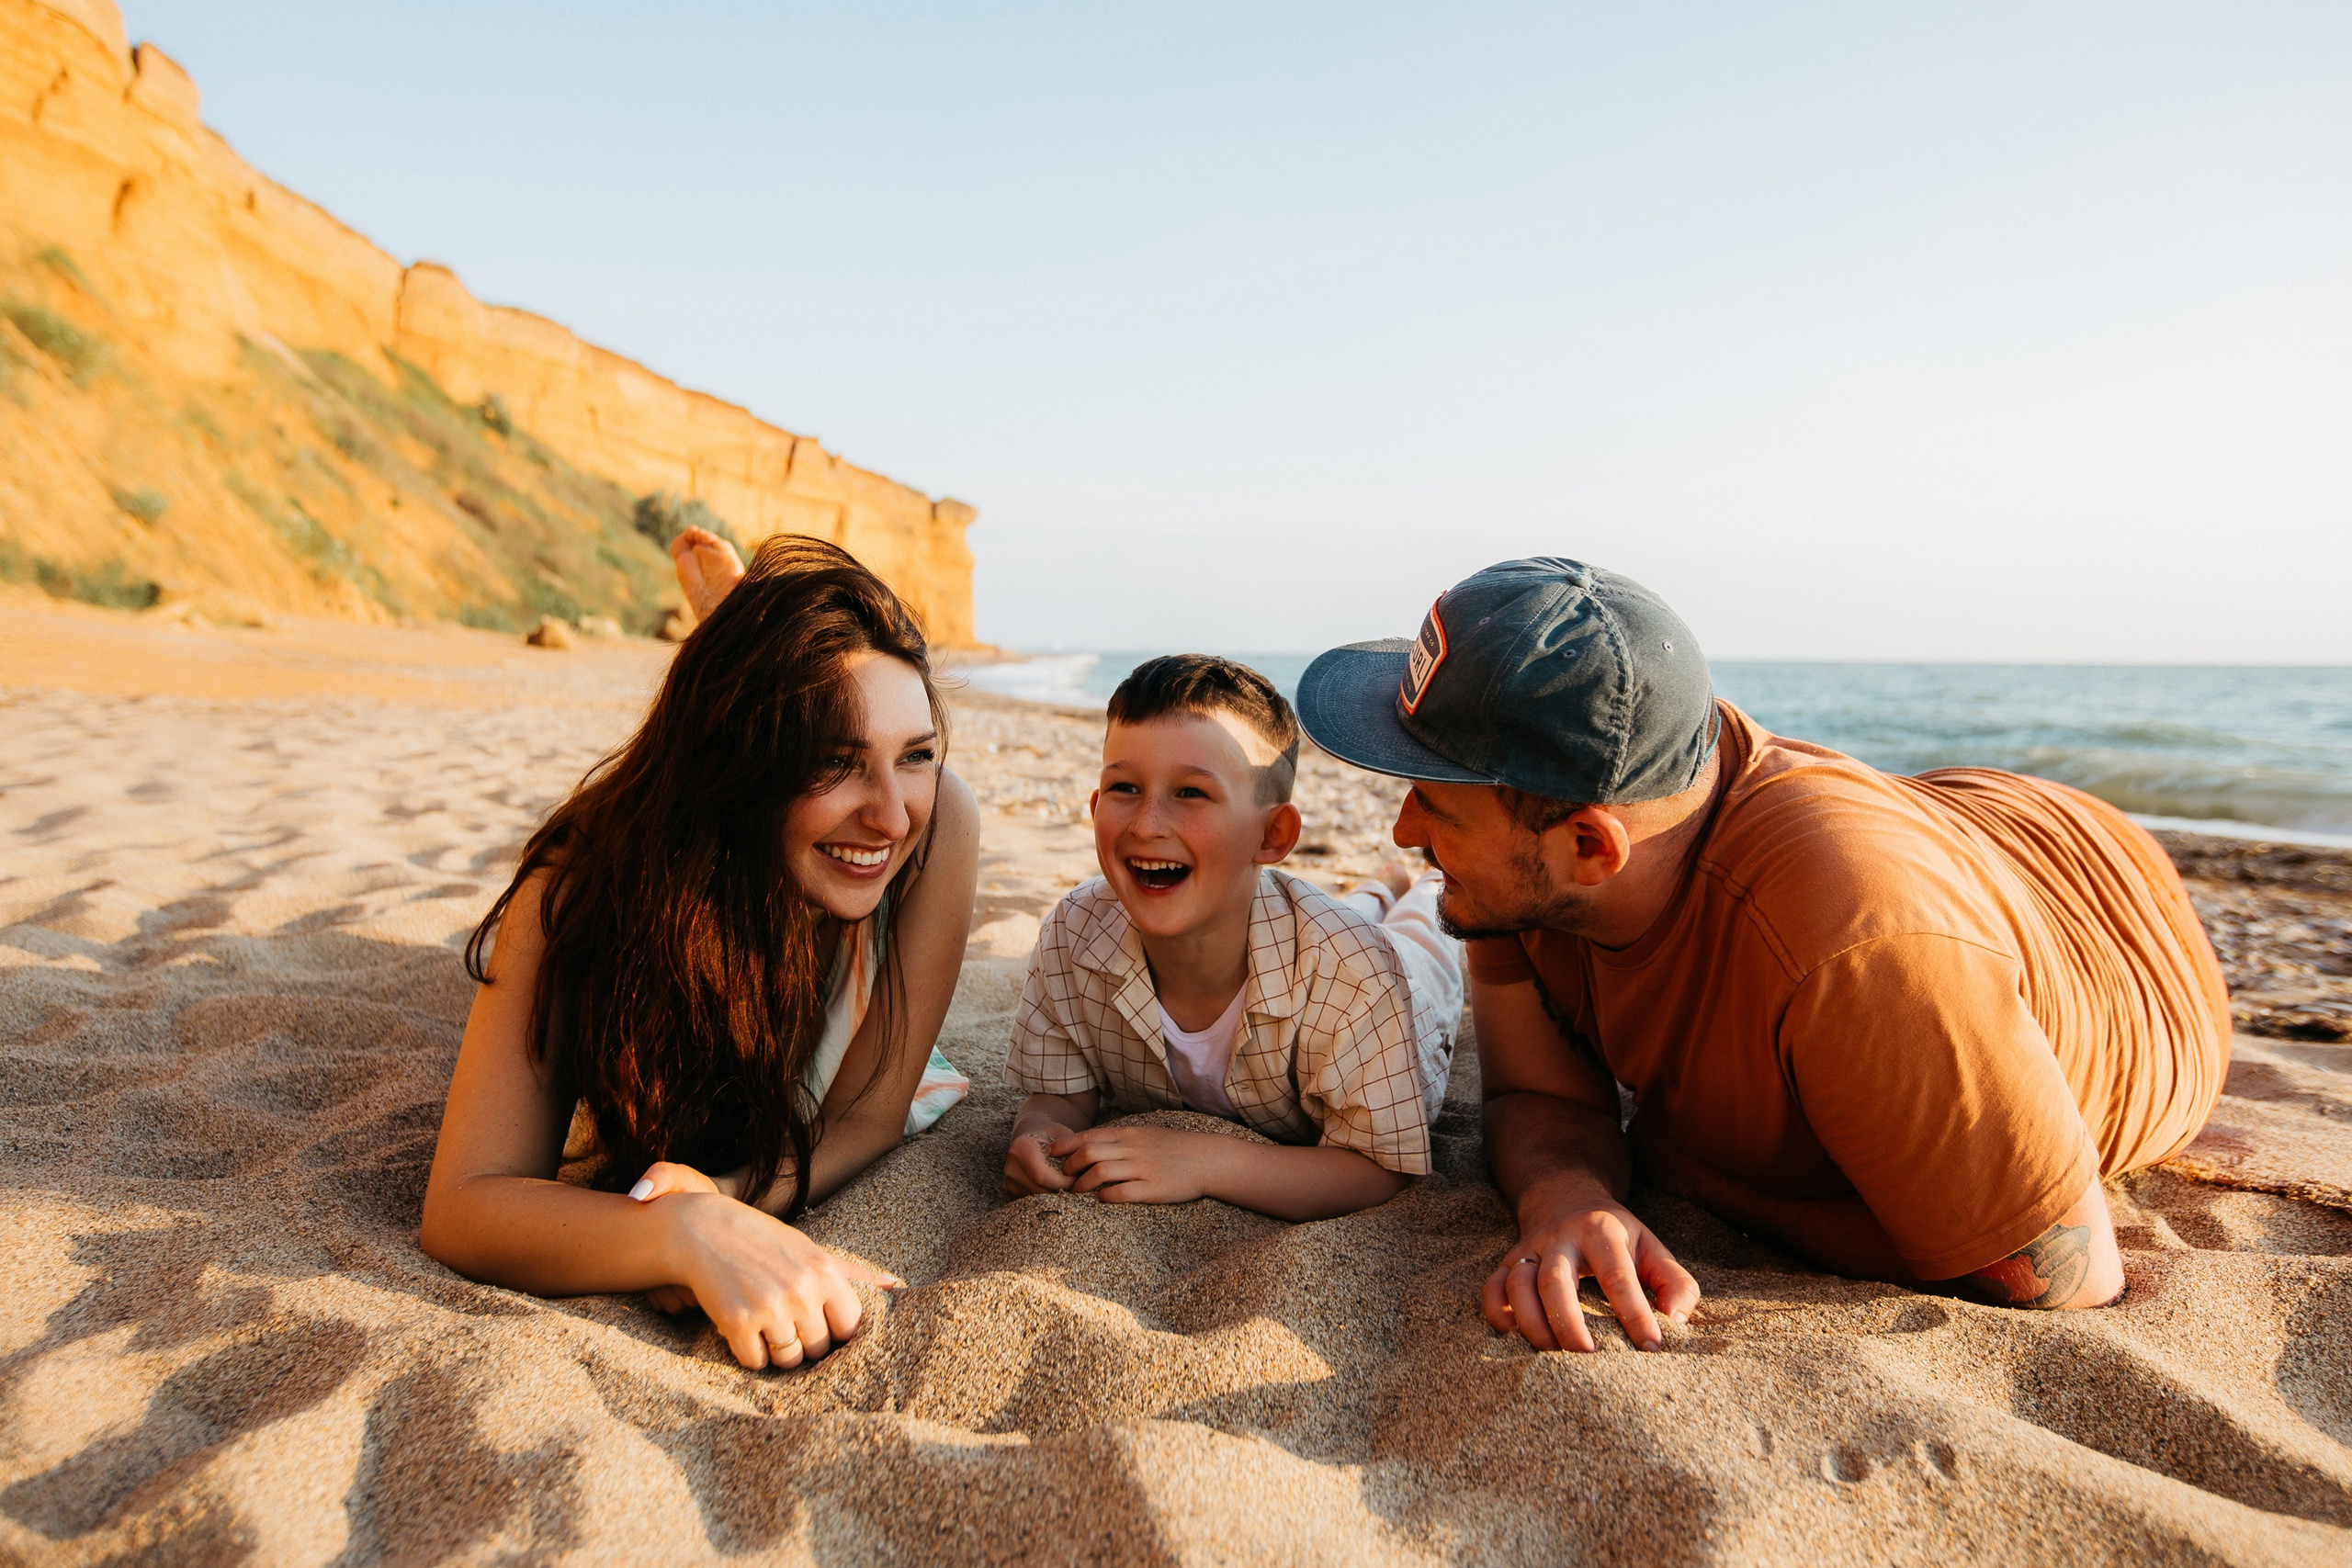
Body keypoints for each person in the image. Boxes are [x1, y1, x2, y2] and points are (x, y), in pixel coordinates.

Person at [1295, 558, 2229, 1351]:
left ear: (1591, 847)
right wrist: (1565, 1194)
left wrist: (1687, 1171)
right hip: (1970, 817)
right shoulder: (1532, 855)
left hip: (2126, 936)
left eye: (1438, 807)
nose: (1403, 827)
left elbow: (2058, 1277)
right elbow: (1535, 1095)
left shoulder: (1858, 948)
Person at [420, 530, 979, 1371]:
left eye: (916, 754)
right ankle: (741, 634)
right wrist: (677, 1231)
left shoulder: (937, 827)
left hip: (824, 1049)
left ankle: (743, 626)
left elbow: (867, 1113)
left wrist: (723, 1195)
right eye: (835, 759)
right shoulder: (583, 880)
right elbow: (463, 1205)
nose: (894, 815)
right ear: (740, 760)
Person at [1000, 655, 1463, 1220]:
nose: (1146, 824)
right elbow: (1061, 1095)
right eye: (1125, 787)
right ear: (1095, 807)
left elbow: (1379, 1167)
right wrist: (1039, 1130)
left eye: (1191, 793)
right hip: (1300, 922)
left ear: (1273, 834)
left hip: (1413, 986)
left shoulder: (1357, 970)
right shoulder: (1074, 931)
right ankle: (1379, 884)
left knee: (1425, 931)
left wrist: (1204, 1163)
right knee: (1346, 916)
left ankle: (1419, 883)